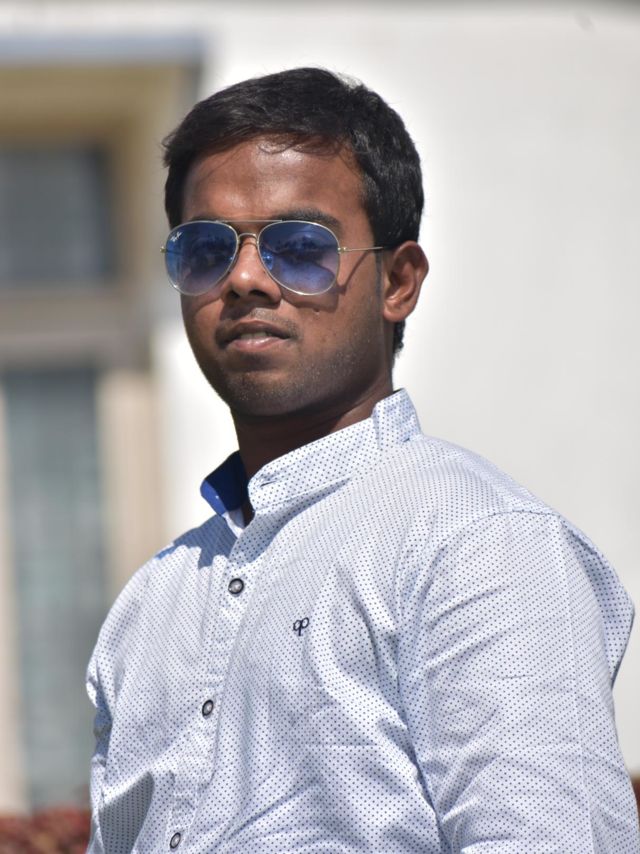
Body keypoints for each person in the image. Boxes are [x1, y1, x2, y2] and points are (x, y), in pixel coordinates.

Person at [86, 67, 638, 852]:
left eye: (299, 248)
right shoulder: (152, 605)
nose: (245, 279)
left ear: (398, 282)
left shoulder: (476, 545)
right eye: (206, 249)